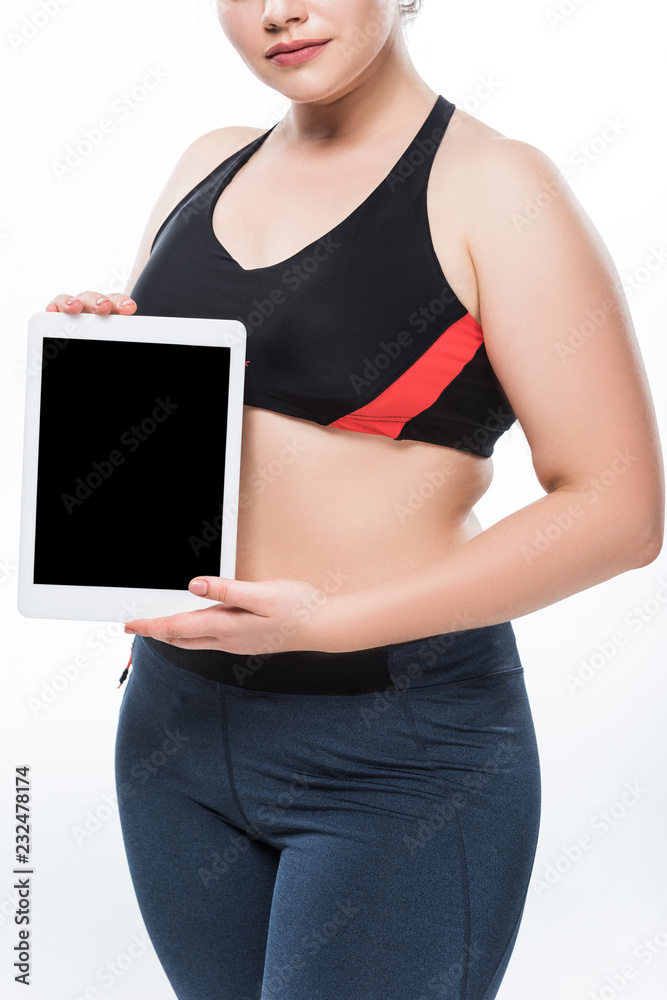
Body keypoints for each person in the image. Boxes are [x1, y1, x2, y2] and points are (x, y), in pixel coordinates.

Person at [46, 1, 664, 997]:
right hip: (173, 736)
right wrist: (105, 353)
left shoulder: (496, 189)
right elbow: (169, 453)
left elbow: (620, 509)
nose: (278, 10)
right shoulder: (204, 163)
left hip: (395, 757)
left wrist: (331, 624)